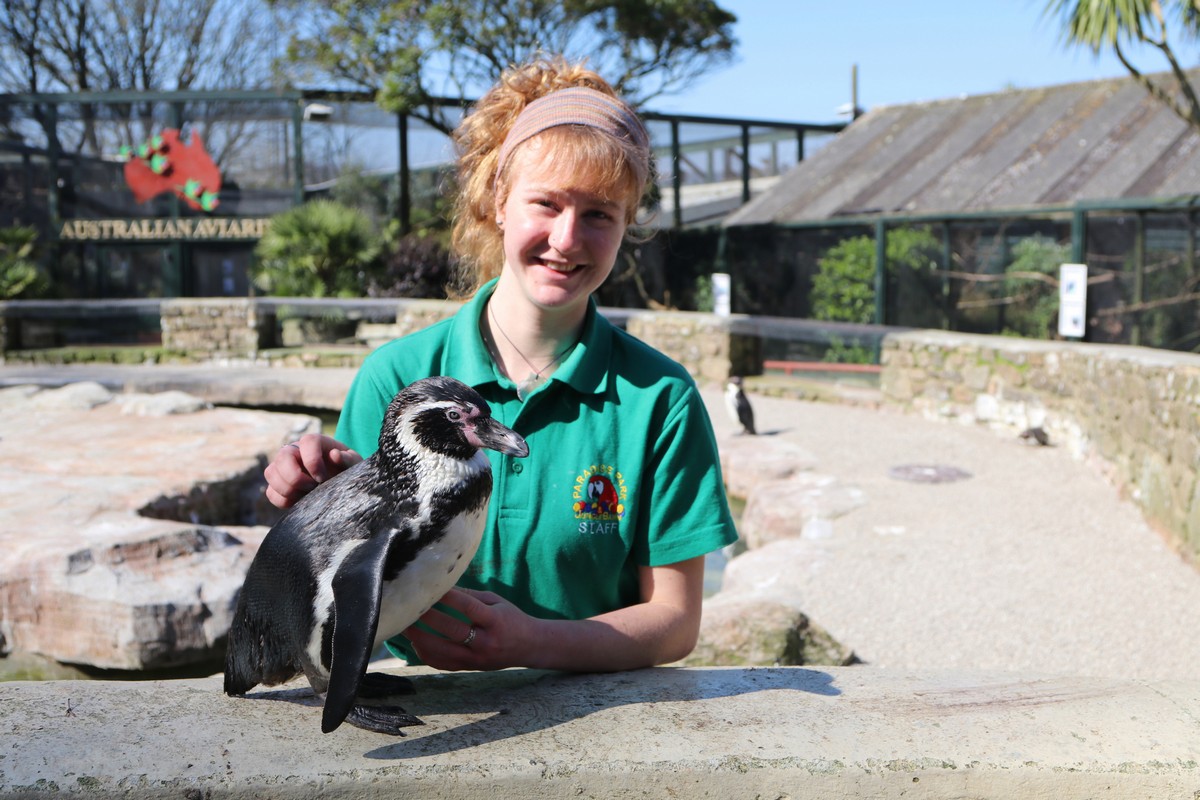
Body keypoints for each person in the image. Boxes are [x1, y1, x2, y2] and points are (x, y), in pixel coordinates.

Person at [263, 55, 737, 674]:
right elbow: (338, 575)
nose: (567, 239)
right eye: (546, 203)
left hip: (602, 720)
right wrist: (311, 490)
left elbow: (675, 620)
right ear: (497, 200)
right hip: (431, 715)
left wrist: (531, 642)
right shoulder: (396, 376)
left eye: (599, 213)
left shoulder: (660, 398)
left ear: (627, 226)